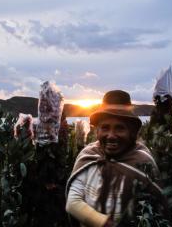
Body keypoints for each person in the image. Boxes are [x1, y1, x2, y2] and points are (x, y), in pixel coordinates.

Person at [65, 90, 163, 227]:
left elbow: (155, 210)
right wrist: (105, 223)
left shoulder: (142, 161)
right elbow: (73, 203)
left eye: (120, 128)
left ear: (132, 132)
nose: (111, 135)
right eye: (105, 128)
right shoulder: (89, 155)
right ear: (97, 131)